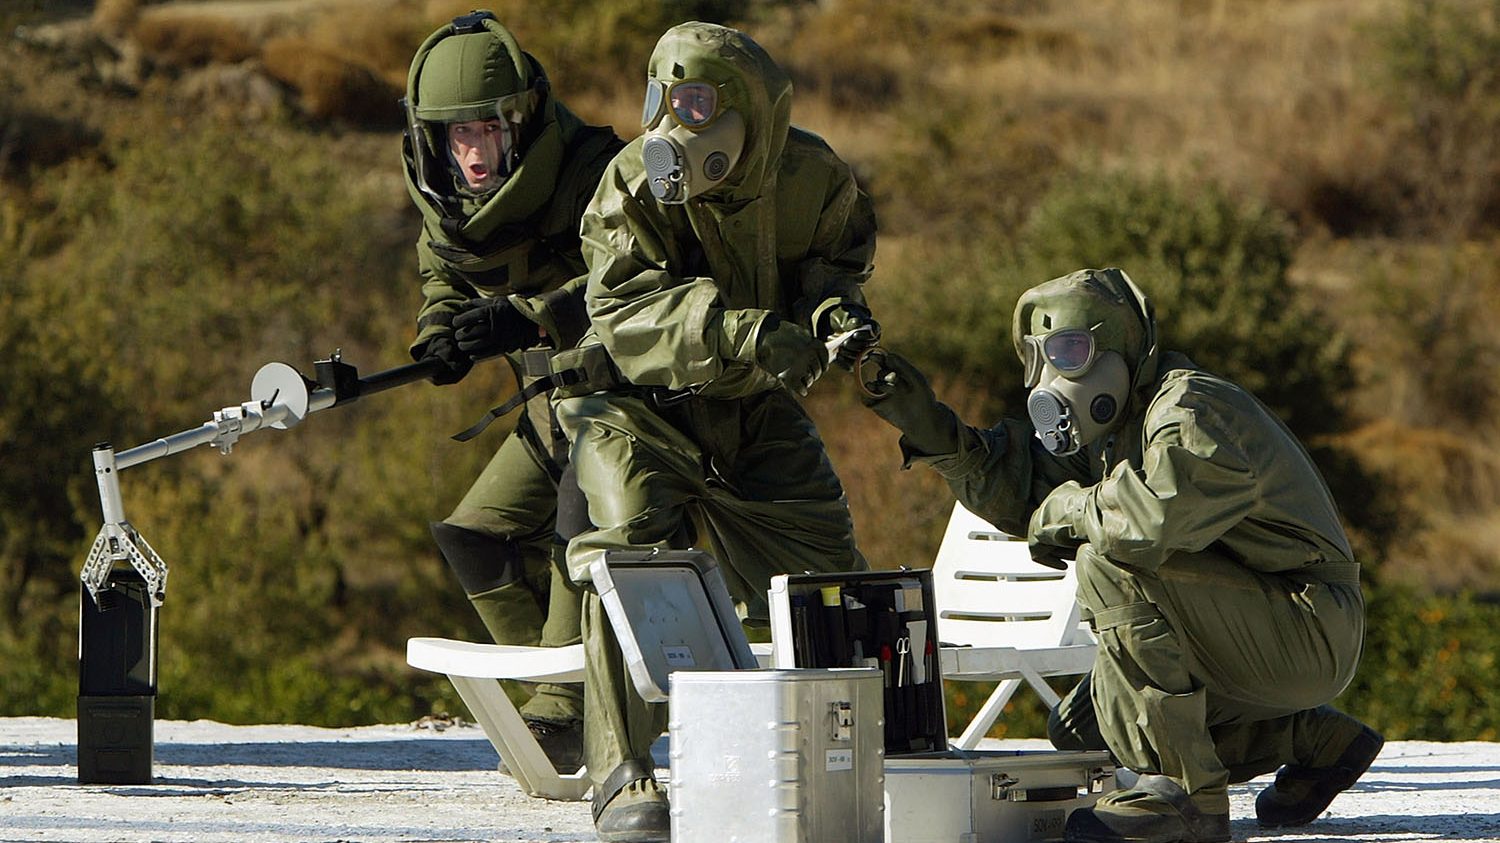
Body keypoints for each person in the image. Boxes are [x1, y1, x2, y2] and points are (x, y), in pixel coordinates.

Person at [862, 267, 1382, 843]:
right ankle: (1309, 738)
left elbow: (1149, 520)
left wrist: (1069, 509)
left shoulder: (1191, 409)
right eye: (1035, 358)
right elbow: (1022, 488)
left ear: (1124, 349)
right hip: (1261, 629)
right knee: (1087, 728)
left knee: (1110, 563)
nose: (1050, 376)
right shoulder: (1119, 432)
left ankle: (1185, 797)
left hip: (1310, 622)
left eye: (1069, 350)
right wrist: (930, 429)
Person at [551, 21, 880, 842]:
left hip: (749, 407)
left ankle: (874, 754)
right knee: (628, 542)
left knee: (830, 568)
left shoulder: (811, 175)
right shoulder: (629, 185)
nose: (673, 122)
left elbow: (834, 262)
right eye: (662, 98)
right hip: (631, 405)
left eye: (695, 102)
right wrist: (737, 331)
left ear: (752, 115)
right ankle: (622, 771)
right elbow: (623, 311)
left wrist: (836, 314)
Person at [400, 10, 624, 772]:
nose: (472, 150)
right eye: (456, 132)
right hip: (547, 400)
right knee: (473, 533)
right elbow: (441, 268)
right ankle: (572, 696)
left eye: (487, 130)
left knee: (575, 517)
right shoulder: (448, 203)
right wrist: (441, 330)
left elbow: (633, 286)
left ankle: (565, 713)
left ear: (521, 121)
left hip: (626, 399)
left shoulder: (597, 172)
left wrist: (527, 316)